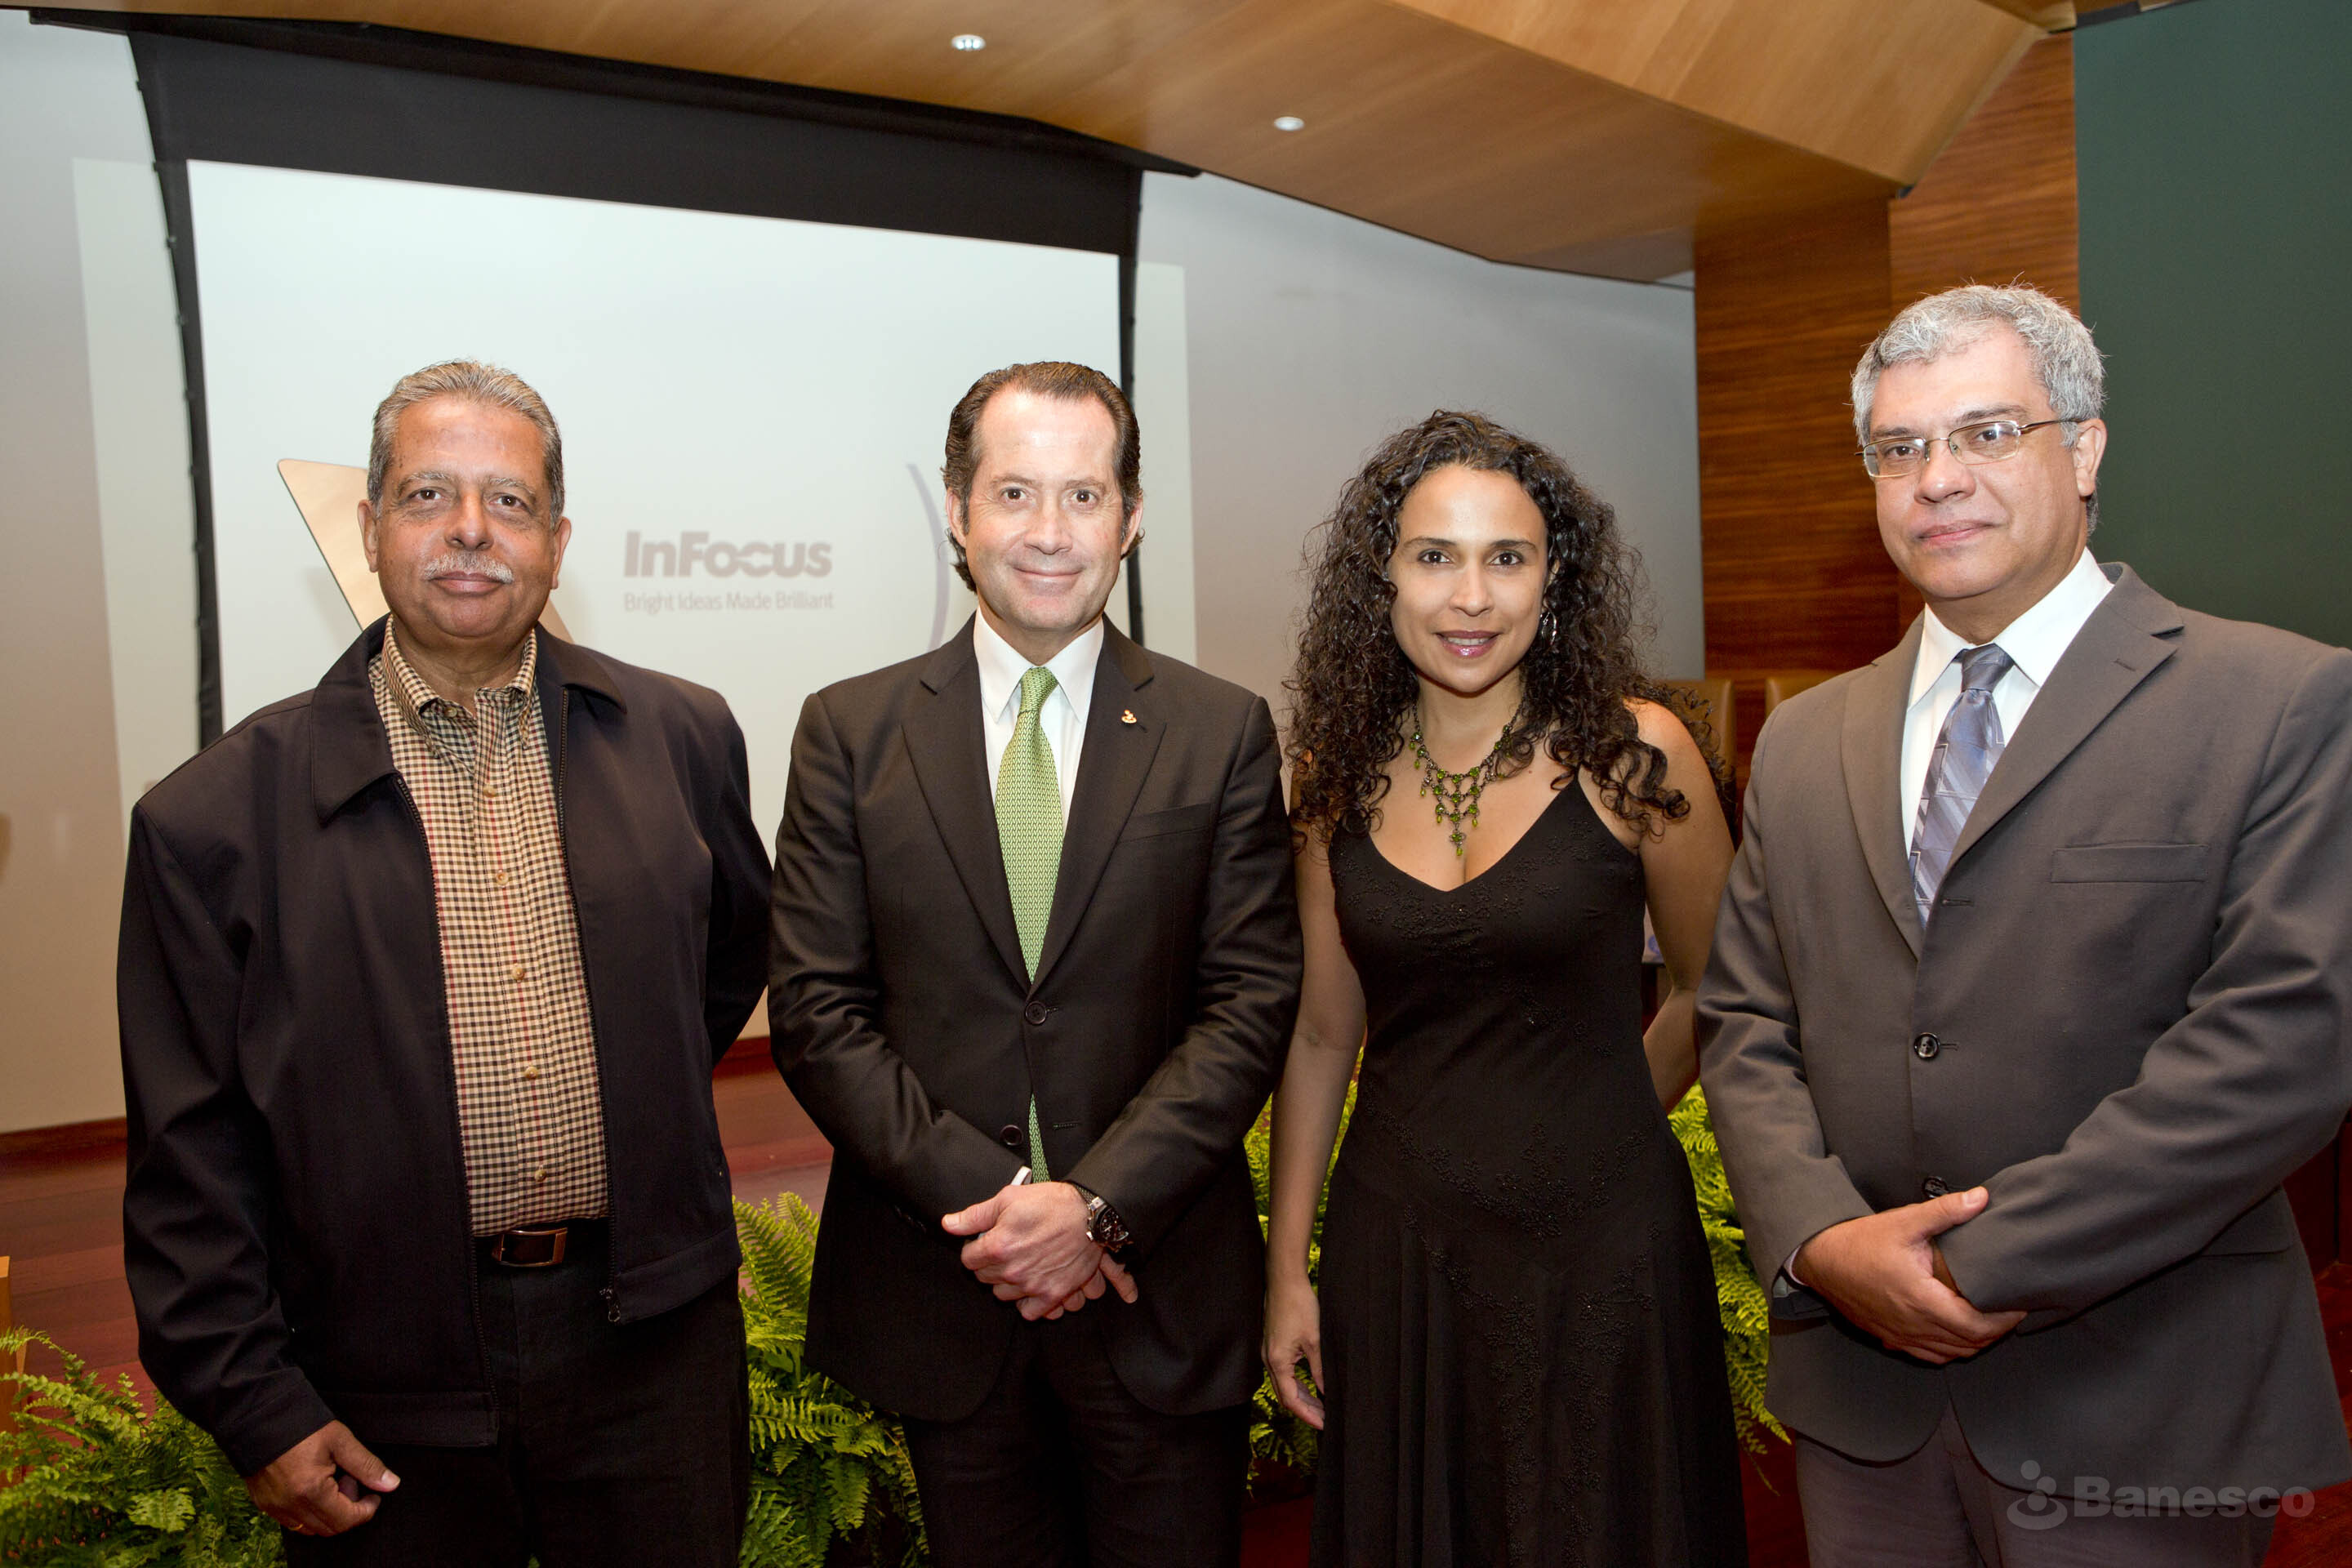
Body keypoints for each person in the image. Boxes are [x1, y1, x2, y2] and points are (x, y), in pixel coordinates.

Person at [1698, 284, 2352, 1566]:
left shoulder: (2278, 703)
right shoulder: (1808, 739)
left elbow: (2284, 1046)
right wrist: (1823, 1244)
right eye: (1899, 448)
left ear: (2086, 447)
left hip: (2140, 1392)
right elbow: (1743, 1019)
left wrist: (1973, 1268)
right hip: (1862, 1408)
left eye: (1987, 433)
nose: (1937, 479)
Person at [118, 361, 770, 1566]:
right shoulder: (211, 819)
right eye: (429, 495)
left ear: (558, 543)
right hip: (381, 1374)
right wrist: (256, 1403)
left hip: (655, 1353)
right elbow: (187, 1155)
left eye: (509, 501)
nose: (471, 529)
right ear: (370, 529)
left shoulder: (683, 738)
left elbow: (722, 966)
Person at [768, 361, 1302, 1567]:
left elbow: (1250, 1000)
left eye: (1084, 495)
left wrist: (1097, 1210)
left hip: (1158, 1293)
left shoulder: (1221, 730)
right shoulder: (850, 732)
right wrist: (1008, 1209)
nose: (1049, 532)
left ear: (1132, 517)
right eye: (1014, 493)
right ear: (957, 513)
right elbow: (814, 1009)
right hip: (948, 1290)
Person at [1263, 410, 1748, 1566]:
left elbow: (1717, 988)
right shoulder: (1330, 779)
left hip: (1606, 1249)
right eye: (1435, 556)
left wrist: (1599, 1125)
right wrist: (1287, 1271)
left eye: (1508, 558)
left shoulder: (1635, 755)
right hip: (1402, 1257)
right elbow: (1323, 1036)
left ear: (1553, 578)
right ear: (1381, 576)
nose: (1470, 597)